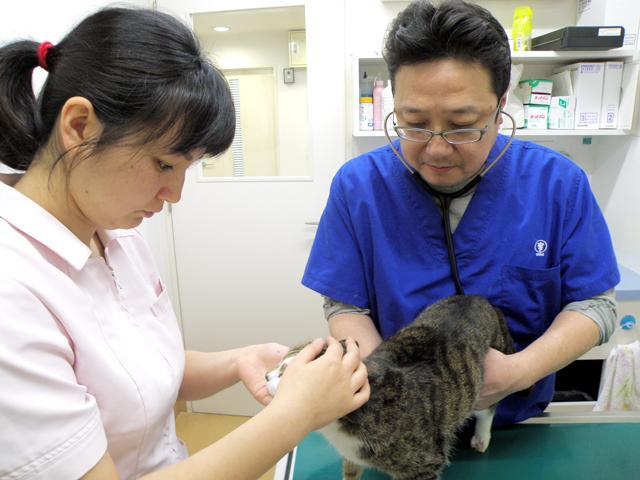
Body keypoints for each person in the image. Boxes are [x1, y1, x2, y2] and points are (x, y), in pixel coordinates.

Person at [0, 7, 369, 480]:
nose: (174, 195)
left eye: (187, 169)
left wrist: (238, 360)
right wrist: (293, 416)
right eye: (163, 164)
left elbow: (137, 377)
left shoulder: (116, 235)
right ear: (78, 126)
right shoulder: (13, 288)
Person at [302, 0, 619, 427]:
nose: (435, 148)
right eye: (413, 122)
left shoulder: (558, 184)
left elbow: (595, 305)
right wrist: (393, 386)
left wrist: (518, 372)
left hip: (512, 424)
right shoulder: (359, 186)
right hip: (401, 423)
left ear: (501, 104)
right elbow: (344, 304)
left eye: (462, 124)